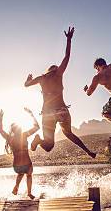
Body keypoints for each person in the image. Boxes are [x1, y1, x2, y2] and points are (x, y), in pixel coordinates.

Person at [24, 26, 96, 158]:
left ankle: (38, 140)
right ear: (56, 69)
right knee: (68, 133)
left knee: (49, 146)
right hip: (61, 110)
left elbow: (26, 85)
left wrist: (28, 80)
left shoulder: (41, 78)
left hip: (47, 113)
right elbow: (67, 56)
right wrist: (69, 40)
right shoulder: (58, 74)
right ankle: (87, 151)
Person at [0, 108, 39, 200]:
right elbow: (37, 127)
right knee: (28, 175)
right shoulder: (24, 134)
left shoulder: (9, 138)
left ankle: (16, 187)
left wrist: (0, 118)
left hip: (17, 166)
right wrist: (31, 114)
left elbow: (1, 131)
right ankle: (29, 193)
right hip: (27, 164)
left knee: (20, 173)